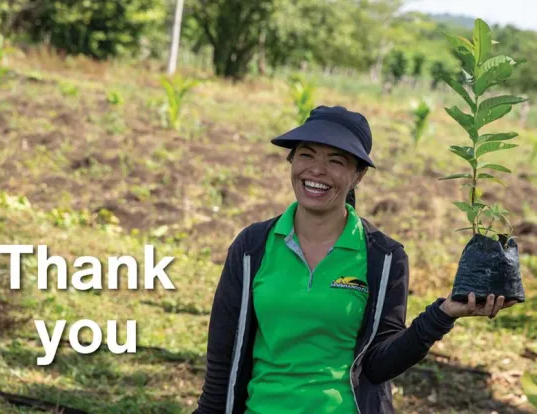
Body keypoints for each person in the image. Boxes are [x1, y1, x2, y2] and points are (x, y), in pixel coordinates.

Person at [193, 106, 517, 414]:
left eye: (336, 161)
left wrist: (443, 315)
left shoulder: (383, 257)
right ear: (291, 161)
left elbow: (379, 364)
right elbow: (224, 356)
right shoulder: (253, 247)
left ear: (358, 175)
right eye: (306, 154)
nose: (316, 170)